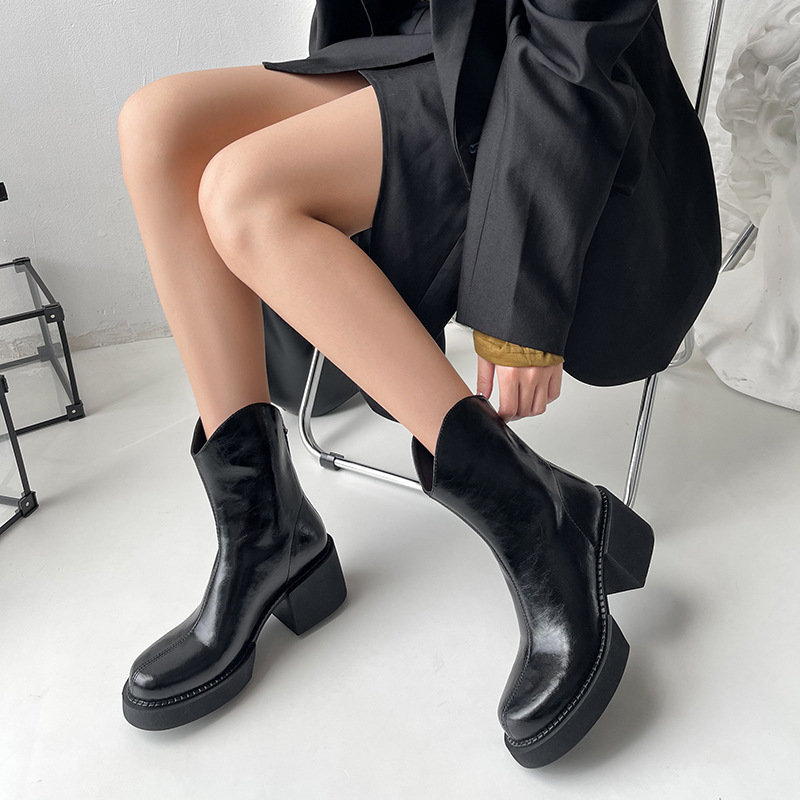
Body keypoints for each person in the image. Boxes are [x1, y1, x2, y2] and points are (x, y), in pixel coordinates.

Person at [116, 0, 672, 767]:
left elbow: (571, 37)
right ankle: (263, 533)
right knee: (156, 127)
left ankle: (536, 519)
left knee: (242, 192)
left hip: (559, 89)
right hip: (427, 56)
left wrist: (521, 297)